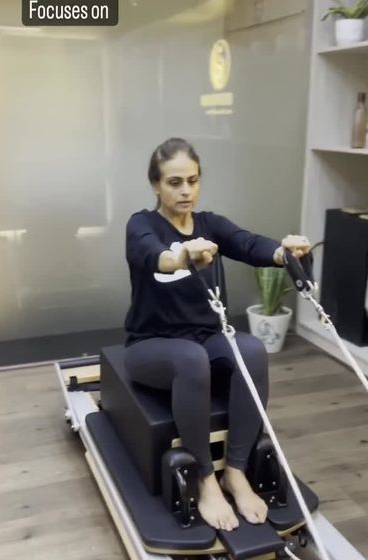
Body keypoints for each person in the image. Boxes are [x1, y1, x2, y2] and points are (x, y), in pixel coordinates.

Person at [124, 138, 311, 532]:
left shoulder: (210, 225)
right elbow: (152, 254)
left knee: (252, 350)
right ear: (156, 184)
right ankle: (206, 479)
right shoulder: (142, 225)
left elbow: (248, 243)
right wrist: (181, 256)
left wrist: (285, 252)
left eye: (192, 181)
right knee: (190, 359)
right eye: (174, 182)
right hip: (150, 345)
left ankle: (236, 472)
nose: (185, 190)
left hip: (205, 337)